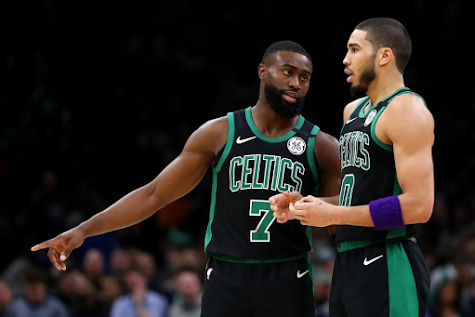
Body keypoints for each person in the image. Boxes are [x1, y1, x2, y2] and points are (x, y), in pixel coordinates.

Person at [31, 40, 342, 316]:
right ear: (262, 72)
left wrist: (311, 205)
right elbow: (154, 194)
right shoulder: (220, 133)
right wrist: (85, 229)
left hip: (288, 277)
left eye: (304, 77)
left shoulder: (324, 146)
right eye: (287, 72)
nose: (296, 83)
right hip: (226, 277)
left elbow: (338, 220)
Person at [271, 17, 434, 317]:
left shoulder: (407, 109)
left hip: (389, 260)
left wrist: (334, 215)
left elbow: (419, 206)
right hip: (347, 262)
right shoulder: (353, 111)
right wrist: (309, 205)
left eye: (355, 49)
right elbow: (356, 196)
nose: (345, 60)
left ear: (384, 56)